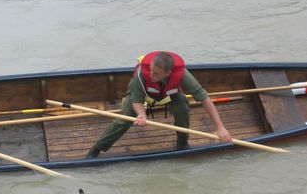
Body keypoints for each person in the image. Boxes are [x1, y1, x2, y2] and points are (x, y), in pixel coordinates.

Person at [86, 51, 232, 159]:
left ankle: (182, 142)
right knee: (124, 120)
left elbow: (204, 99)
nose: (151, 75)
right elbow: (137, 100)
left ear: (168, 73)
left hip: (167, 96)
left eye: (156, 73)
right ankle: (96, 149)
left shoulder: (182, 75)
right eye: (151, 70)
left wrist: (220, 127)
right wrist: (141, 114)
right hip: (143, 96)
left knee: (182, 106)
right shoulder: (142, 74)